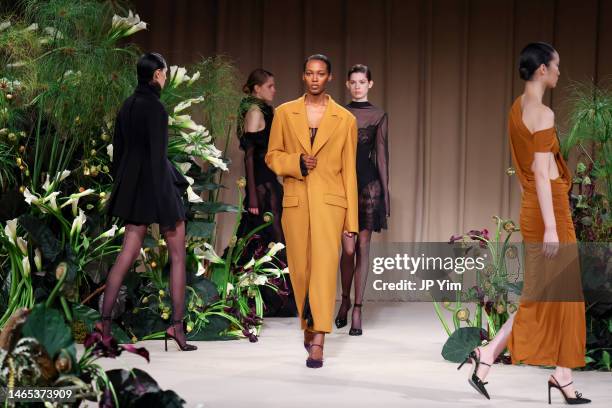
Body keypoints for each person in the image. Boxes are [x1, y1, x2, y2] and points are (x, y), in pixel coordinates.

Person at [457, 42, 589, 404]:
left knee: (553, 296)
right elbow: (541, 174)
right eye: (557, 65)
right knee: (551, 296)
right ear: (542, 70)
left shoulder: (517, 108)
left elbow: (523, 171)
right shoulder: (542, 114)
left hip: (533, 205)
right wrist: (550, 226)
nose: (560, 71)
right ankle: (492, 355)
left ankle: (559, 374)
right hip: (551, 213)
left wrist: (536, 210)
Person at [265, 54, 359, 368]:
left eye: (320, 73)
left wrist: (352, 222)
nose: (314, 78)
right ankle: (309, 324)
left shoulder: (345, 119)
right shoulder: (284, 113)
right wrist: (296, 162)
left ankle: (319, 338)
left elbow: (349, 172)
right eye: (309, 73)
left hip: (331, 206)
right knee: (301, 271)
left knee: (323, 269)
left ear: (329, 77)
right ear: (303, 77)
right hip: (295, 203)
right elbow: (272, 156)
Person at [102, 52, 197, 351]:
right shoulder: (156, 108)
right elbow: (157, 158)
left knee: (126, 255)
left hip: (133, 189)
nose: (166, 78)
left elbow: (118, 157)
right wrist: (168, 203)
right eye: (165, 74)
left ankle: (103, 327)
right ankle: (177, 328)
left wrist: (125, 189)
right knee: (178, 255)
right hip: (157, 187)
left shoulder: (127, 105)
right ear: (156, 74)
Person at [335, 64, 389, 336]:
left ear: (370, 84)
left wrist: (386, 195)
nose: (357, 86)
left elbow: (381, 156)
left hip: (368, 188)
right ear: (347, 84)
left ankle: (357, 308)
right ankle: (343, 300)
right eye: (353, 82)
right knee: (346, 249)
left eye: (362, 81)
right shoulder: (338, 113)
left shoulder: (378, 115)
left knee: (363, 248)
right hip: (343, 188)